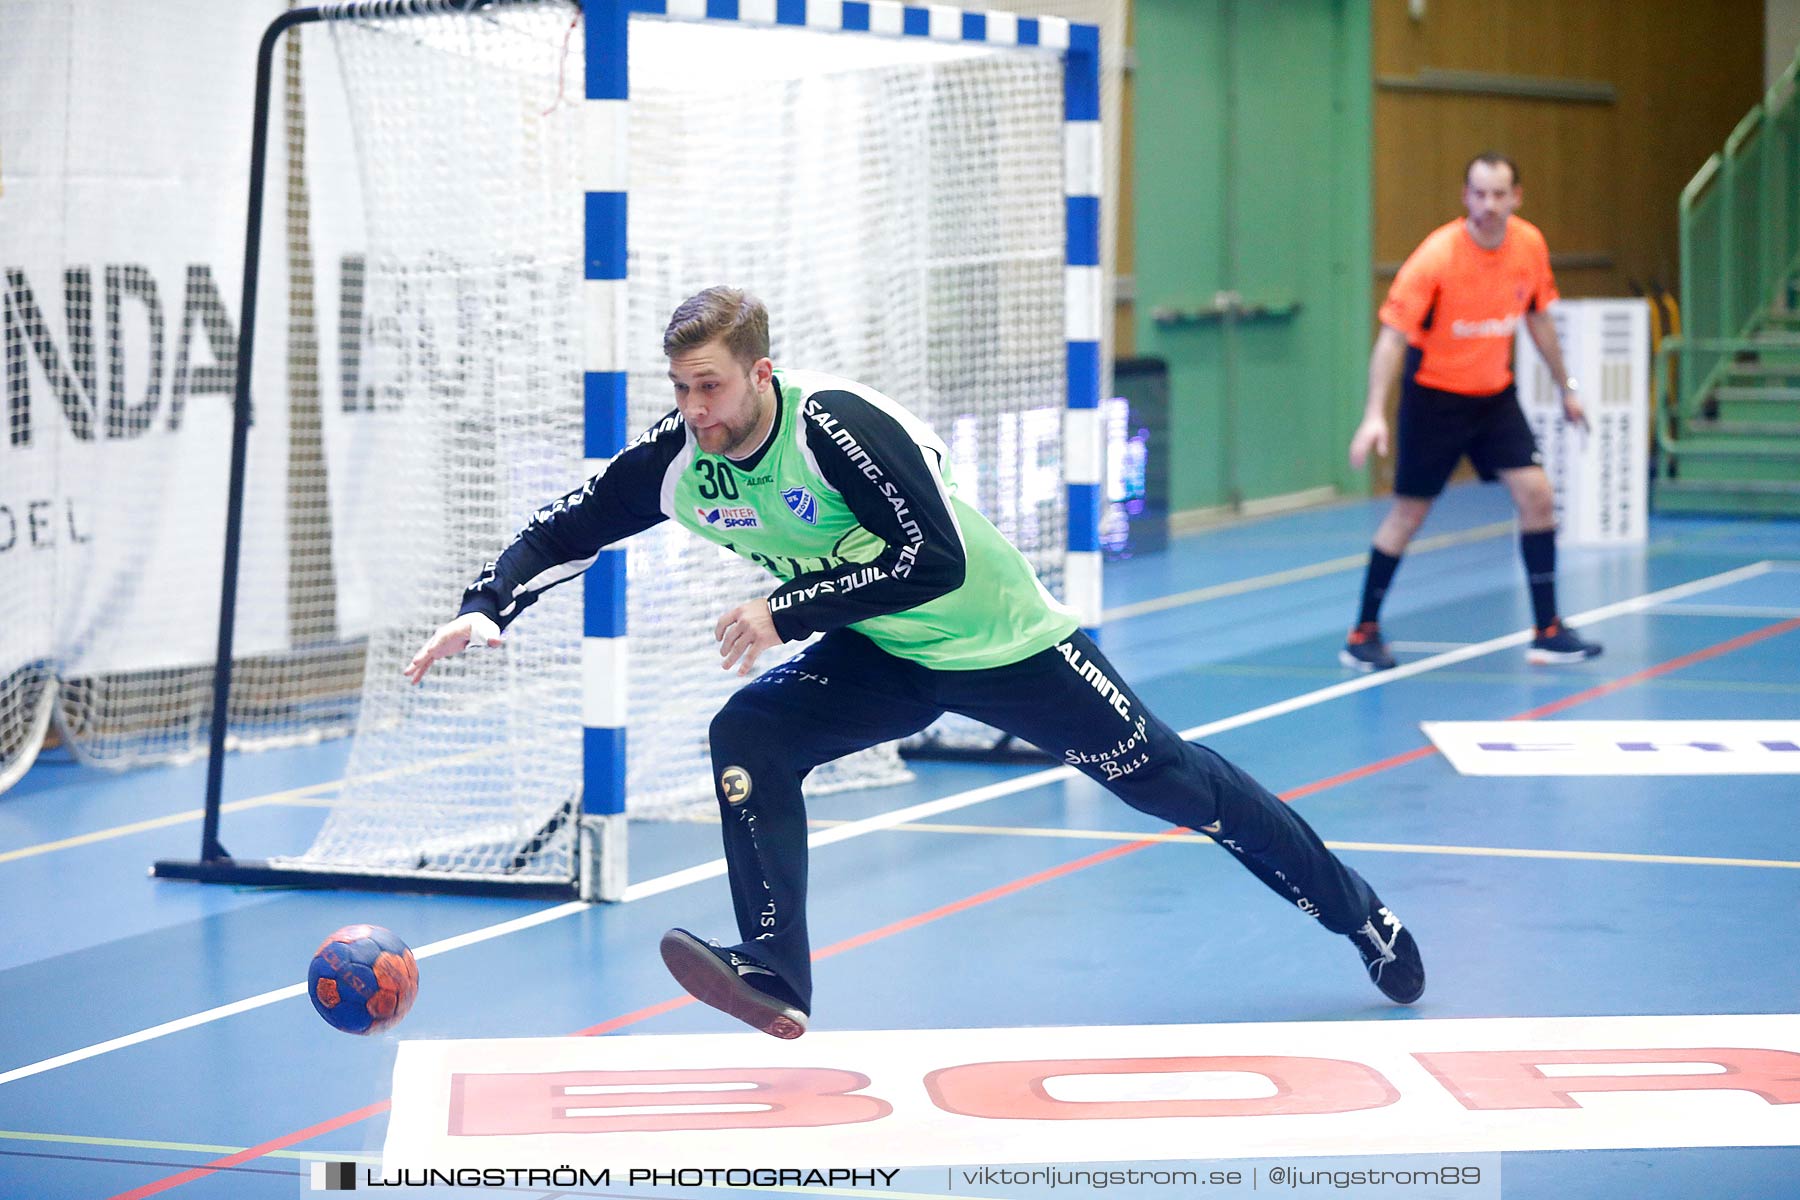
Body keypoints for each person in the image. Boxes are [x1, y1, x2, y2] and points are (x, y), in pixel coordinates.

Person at [407, 286, 1425, 1038]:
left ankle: (1356, 913)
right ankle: (774, 972)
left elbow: (927, 560)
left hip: (1004, 643)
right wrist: (489, 606)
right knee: (750, 732)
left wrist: (786, 608)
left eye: (709, 386)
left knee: (1177, 785)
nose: (695, 409)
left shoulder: (838, 428)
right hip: (885, 653)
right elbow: (575, 520)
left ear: (761, 372)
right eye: (680, 388)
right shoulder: (685, 456)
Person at [1343, 152, 1602, 672]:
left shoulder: (1528, 245)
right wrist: (1374, 413)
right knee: (1408, 515)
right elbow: (1392, 340)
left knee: (1537, 495)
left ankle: (1547, 630)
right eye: (1479, 194)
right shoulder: (1436, 258)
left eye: (1499, 194)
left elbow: (1539, 321)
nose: (1488, 205)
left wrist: (1567, 388)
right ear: (1465, 196)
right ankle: (1362, 632)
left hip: (1493, 396)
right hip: (1434, 398)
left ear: (1516, 197)